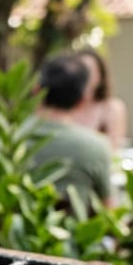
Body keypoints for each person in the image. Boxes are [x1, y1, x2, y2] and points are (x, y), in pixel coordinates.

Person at [30, 55, 114, 203]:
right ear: (81, 100)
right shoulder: (96, 147)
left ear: (36, 90)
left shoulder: (7, 139)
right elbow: (109, 211)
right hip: (72, 226)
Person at [72, 49, 128, 150]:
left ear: (101, 76)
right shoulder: (64, 106)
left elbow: (114, 148)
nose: (85, 75)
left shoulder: (112, 108)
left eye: (90, 70)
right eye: (81, 69)